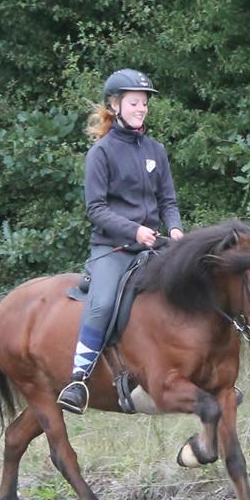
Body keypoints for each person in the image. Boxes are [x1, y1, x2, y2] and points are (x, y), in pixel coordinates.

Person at [57, 68, 185, 414]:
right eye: (134, 103)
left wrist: (174, 229)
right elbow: (95, 209)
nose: (141, 108)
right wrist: (134, 231)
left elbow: (168, 202)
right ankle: (78, 379)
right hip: (113, 247)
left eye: (144, 103)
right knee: (101, 304)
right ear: (115, 105)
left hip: (154, 244)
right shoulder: (101, 153)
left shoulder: (155, 150)